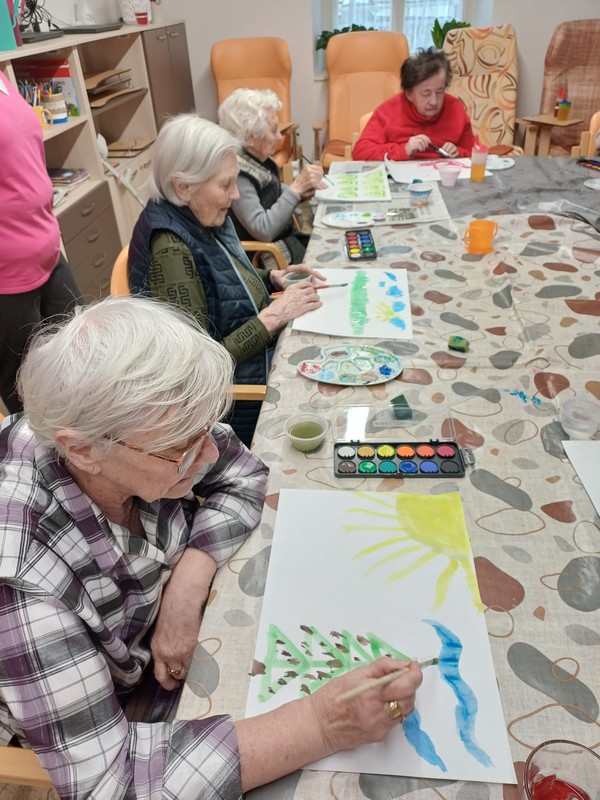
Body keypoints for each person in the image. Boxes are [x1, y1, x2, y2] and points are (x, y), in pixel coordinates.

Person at [0, 296, 423, 799]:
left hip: (162, 640)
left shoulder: (134, 428)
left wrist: (187, 584)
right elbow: (114, 784)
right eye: (182, 446)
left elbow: (243, 474)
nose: (207, 454)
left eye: (203, 430)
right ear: (83, 449)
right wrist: (322, 723)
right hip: (101, 706)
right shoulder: (21, 580)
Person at [128, 114, 324, 446]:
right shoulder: (170, 250)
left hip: (256, 364)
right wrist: (274, 316)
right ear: (183, 186)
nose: (235, 195)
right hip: (233, 405)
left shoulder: (194, 214)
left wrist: (271, 277)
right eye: (225, 185)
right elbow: (198, 367)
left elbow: (218, 277)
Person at [0, 71, 82, 414]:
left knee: (82, 357)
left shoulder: (4, 79)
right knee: (29, 392)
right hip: (7, 274)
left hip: (45, 248)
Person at [218, 88, 326, 266]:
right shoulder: (238, 174)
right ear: (251, 137)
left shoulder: (256, 158)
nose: (279, 136)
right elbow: (263, 229)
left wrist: (301, 191)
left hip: (285, 243)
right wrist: (296, 189)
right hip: (267, 259)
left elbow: (272, 190)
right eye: (274, 130)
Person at [353, 48, 475, 162]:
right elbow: (360, 152)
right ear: (409, 94)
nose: (434, 101)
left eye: (440, 91)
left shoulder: (456, 109)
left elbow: (473, 153)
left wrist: (458, 152)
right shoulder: (388, 112)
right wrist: (404, 149)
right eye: (426, 93)